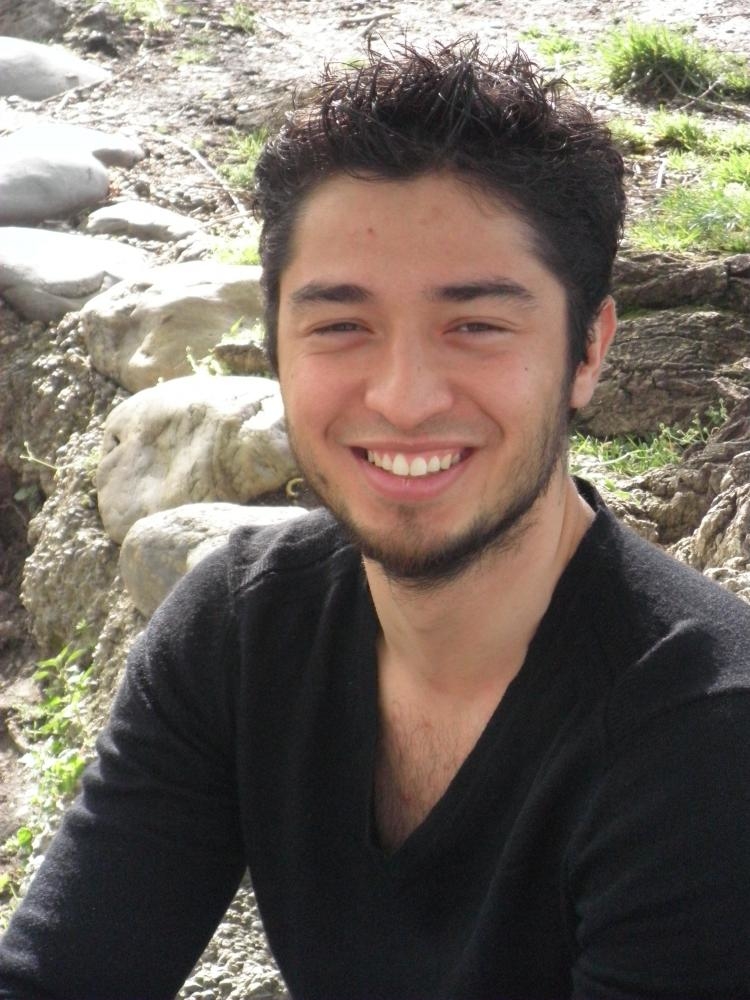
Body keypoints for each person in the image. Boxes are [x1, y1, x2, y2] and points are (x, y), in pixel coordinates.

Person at [1, 38, 749, 1000]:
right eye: (341, 325)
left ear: (587, 352)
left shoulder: (707, 736)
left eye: (475, 325)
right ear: (275, 345)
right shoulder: (240, 629)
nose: (402, 398)